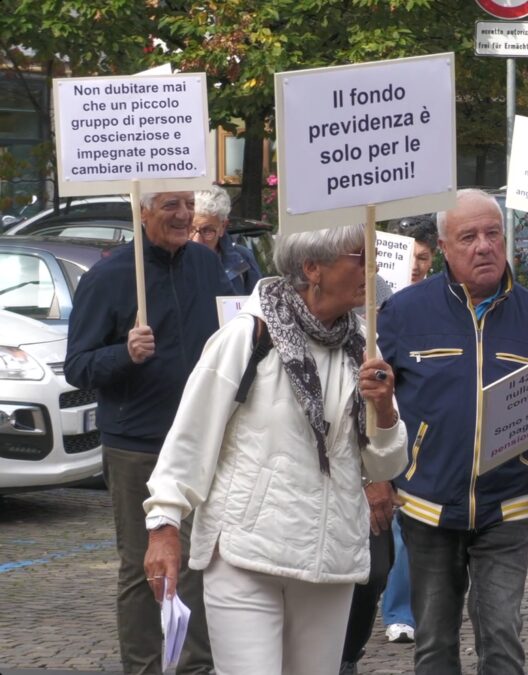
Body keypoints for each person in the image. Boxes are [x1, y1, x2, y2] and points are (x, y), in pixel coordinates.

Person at [142, 224, 409, 675]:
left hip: (330, 558)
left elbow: (384, 462)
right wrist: (164, 524)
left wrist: (383, 410)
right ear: (312, 268)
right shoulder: (248, 336)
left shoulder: (363, 345)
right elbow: (190, 435)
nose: (374, 267)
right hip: (248, 554)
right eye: (359, 257)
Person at [378, 189, 528, 674]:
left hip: (508, 504)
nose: (484, 246)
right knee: (434, 644)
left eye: (493, 234)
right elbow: (374, 400)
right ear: (443, 246)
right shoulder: (404, 313)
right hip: (427, 505)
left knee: (502, 639)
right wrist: (376, 474)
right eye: (469, 237)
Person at [65, 191, 232, 675]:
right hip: (138, 446)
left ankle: (196, 667)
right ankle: (143, 668)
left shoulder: (206, 265)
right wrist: (124, 353)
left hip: (203, 439)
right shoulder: (110, 277)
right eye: (168, 206)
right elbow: (78, 366)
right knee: (145, 569)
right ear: (142, 211)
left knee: (199, 561)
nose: (182, 216)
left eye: (186, 205)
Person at [373, 214, 438, 651]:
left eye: (424, 257)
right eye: (411, 256)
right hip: (383, 417)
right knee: (392, 520)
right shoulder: (377, 295)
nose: (416, 265)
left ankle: (412, 608)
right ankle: (394, 609)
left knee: (412, 521)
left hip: (421, 424)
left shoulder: (435, 301)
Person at [191, 187, 262, 294]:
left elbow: (256, 306)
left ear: (223, 227)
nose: (196, 241)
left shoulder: (242, 259)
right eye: (190, 229)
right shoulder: (171, 262)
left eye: (207, 231)